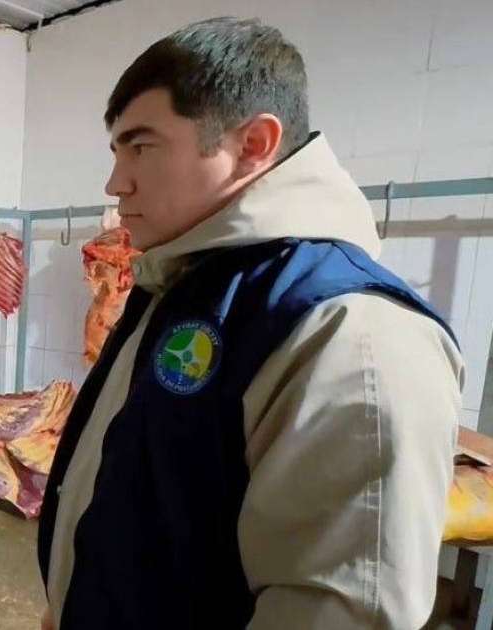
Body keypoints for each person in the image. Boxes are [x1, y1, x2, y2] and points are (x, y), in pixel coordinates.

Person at [37, 17, 463, 630]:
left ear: (254, 144)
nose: (115, 182)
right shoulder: (185, 284)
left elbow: (335, 611)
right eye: (116, 150)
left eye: (142, 146)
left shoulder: (351, 332)